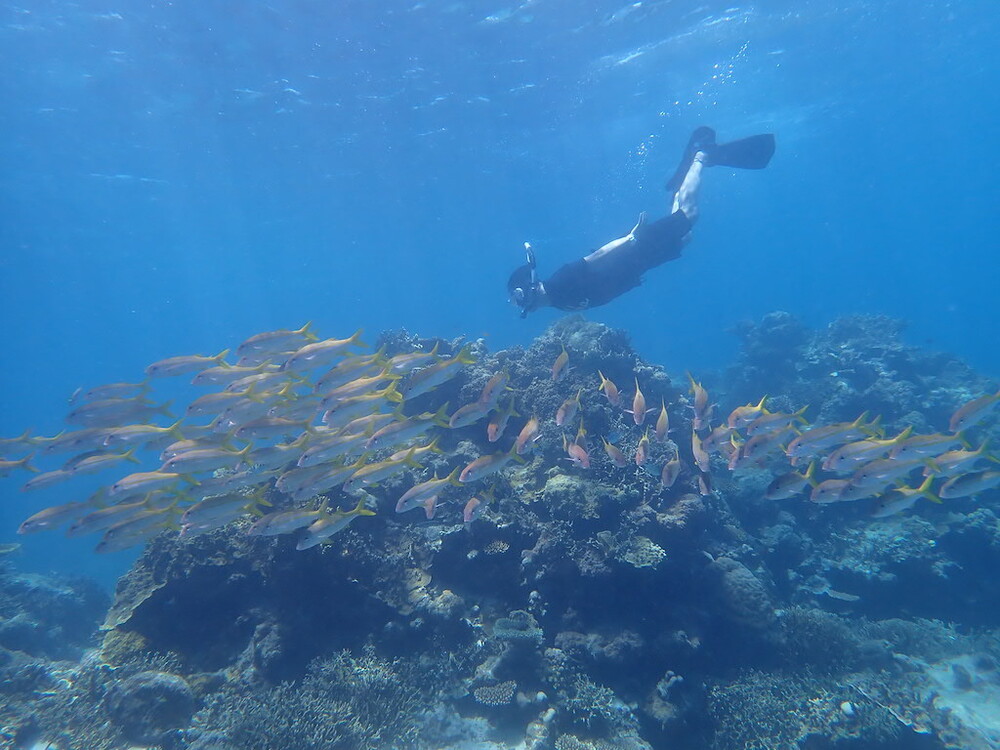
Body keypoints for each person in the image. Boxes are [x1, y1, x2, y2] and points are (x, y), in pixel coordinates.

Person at [507, 126, 775, 317]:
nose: (518, 304)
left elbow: (598, 257)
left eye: (517, 297)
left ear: (528, 288)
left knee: (689, 215)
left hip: (635, 250)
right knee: (685, 237)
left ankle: (702, 156)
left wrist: (631, 238)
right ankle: (681, 182)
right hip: (640, 263)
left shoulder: (560, 281)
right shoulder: (557, 302)